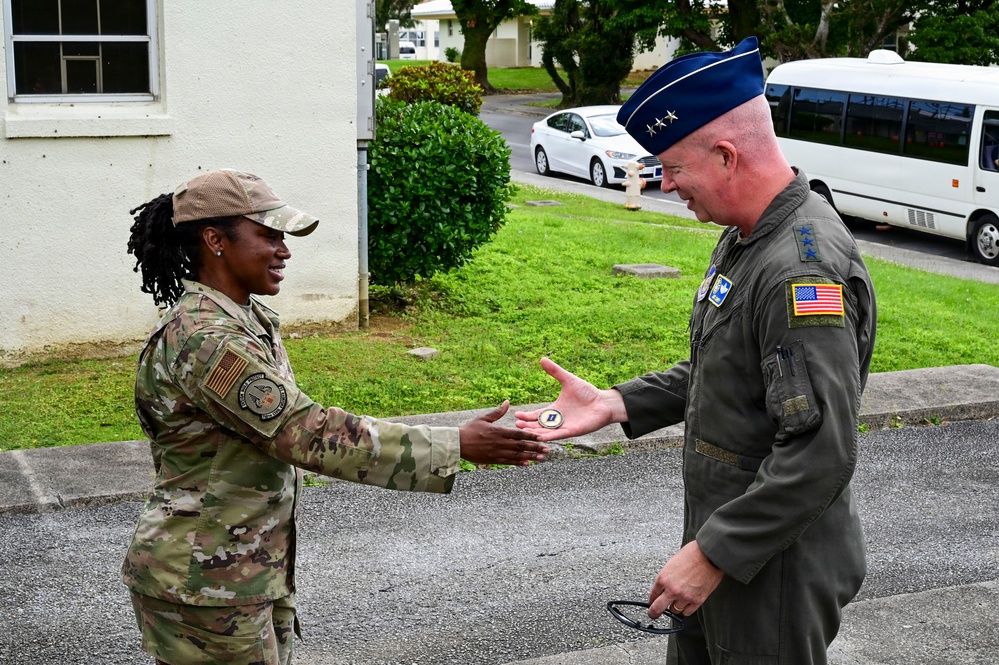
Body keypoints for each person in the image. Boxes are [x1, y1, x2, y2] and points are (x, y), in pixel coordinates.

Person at [516, 37, 877, 664]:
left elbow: (820, 451)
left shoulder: (799, 270)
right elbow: (731, 366)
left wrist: (714, 553)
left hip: (773, 565)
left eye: (674, 167)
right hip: (734, 544)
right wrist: (617, 403)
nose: (665, 184)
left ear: (727, 154)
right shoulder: (748, 237)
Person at [122, 168, 549, 665]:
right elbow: (305, 432)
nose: (284, 250)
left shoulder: (242, 320)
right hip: (205, 580)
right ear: (215, 240)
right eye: (268, 236)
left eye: (283, 237)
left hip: (237, 569)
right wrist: (454, 445)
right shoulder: (210, 340)